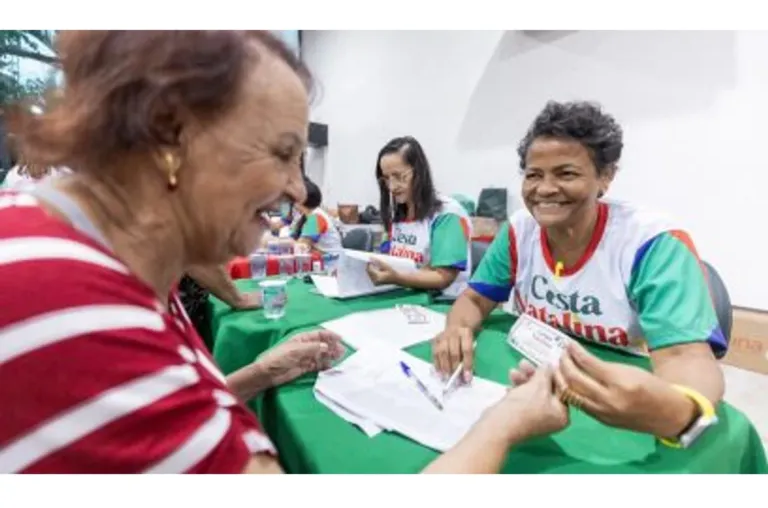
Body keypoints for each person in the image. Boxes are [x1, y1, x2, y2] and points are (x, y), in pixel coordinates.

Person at [0, 31, 567, 474]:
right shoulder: (72, 310)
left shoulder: (93, 264)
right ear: (171, 135)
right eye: (282, 154)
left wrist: (256, 373)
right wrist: (501, 426)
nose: (297, 190)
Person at [433, 100, 727, 447]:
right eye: (533, 174)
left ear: (605, 177)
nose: (544, 189)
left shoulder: (652, 243)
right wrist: (457, 328)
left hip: (617, 395)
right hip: (532, 379)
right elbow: (475, 298)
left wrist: (677, 413)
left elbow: (686, 356)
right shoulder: (518, 230)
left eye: (566, 173)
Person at [367, 136, 472, 299]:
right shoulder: (397, 214)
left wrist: (397, 278)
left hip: (443, 304)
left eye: (400, 176)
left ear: (419, 172)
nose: (392, 187)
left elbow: (443, 276)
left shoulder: (447, 214)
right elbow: (388, 257)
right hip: (406, 296)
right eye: (386, 179)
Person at [291, 176, 342, 252]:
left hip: (330, 261)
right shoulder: (307, 216)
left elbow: (301, 247)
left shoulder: (316, 218)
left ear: (301, 200)